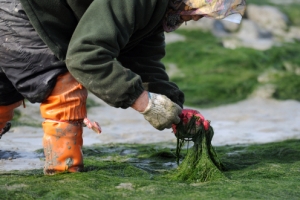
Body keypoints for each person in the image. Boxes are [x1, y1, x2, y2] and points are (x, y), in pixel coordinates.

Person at [0, 0, 245, 175]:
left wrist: (175, 112)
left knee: (4, 94)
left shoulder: (157, 10)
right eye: (203, 10)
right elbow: (85, 57)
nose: (199, 17)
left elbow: (142, 61)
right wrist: (145, 104)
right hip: (22, 10)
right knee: (64, 89)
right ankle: (65, 176)